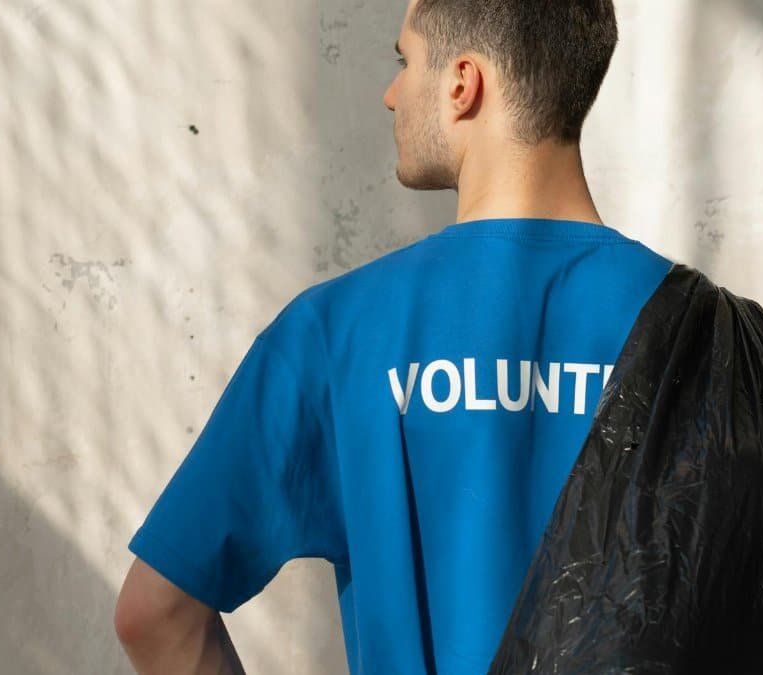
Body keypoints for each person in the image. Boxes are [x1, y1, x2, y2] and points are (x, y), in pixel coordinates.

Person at [113, 0, 668, 672]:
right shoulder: (703, 337)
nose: (390, 93)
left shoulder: (335, 331)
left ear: (464, 84)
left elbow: (154, 612)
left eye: (404, 61)